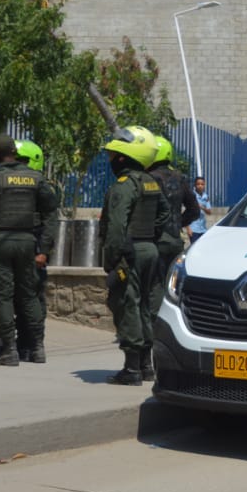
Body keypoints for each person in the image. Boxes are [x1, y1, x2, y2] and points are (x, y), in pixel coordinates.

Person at [0, 134, 58, 366]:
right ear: (15, 153)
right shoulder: (36, 178)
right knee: (29, 295)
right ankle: (37, 349)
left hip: (0, 242)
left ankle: (9, 350)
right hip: (29, 242)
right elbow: (51, 214)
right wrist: (45, 250)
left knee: (3, 297)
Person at [99, 126, 170, 385]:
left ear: (123, 157)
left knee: (127, 303)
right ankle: (146, 366)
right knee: (144, 306)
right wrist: (150, 234)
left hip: (130, 253)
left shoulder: (124, 185)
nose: (110, 161)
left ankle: (131, 370)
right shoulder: (150, 181)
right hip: (149, 250)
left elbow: (116, 226)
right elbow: (164, 214)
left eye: (113, 156)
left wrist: (112, 258)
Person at [14, 138, 50, 363]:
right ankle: (24, 345)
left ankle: (33, 345)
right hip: (27, 247)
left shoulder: (42, 186)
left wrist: (43, 250)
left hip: (34, 247)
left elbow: (50, 222)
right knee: (22, 298)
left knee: (31, 298)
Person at [148, 136, 200, 274]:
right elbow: (194, 210)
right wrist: (177, 222)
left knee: (153, 286)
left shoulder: (148, 178)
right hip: (175, 241)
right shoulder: (180, 178)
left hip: (154, 242)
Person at [189, 175, 213, 243]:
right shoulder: (192, 195)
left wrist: (202, 207)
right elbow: (186, 212)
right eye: (198, 184)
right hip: (193, 229)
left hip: (203, 229)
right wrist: (188, 229)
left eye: (202, 184)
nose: (200, 186)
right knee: (194, 248)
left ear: (204, 185)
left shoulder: (206, 196)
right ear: (195, 185)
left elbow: (209, 212)